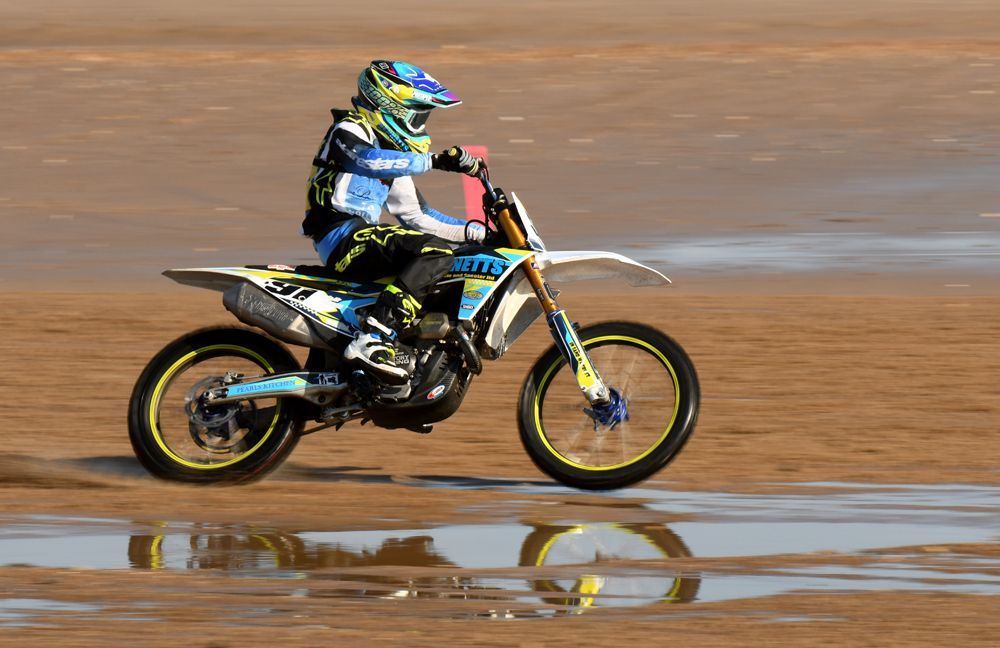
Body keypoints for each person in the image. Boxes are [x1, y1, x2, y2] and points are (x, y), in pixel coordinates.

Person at [301, 60, 484, 384]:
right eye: (417, 114)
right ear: (389, 105)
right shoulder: (350, 129)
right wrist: (434, 160)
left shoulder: (392, 156)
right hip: (342, 235)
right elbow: (363, 160)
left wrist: (477, 231)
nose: (421, 124)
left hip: (359, 237)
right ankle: (373, 338)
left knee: (446, 262)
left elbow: (418, 217)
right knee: (433, 254)